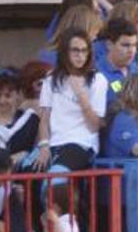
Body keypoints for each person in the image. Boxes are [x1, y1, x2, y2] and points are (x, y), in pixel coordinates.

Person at [35, 30, 109, 172]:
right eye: (75, 50)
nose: (80, 56)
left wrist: (81, 95)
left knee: (57, 174)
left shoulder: (97, 80)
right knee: (27, 170)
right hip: (53, 143)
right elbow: (44, 119)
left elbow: (94, 126)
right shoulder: (51, 79)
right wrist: (44, 145)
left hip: (82, 143)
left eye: (84, 51)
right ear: (65, 52)